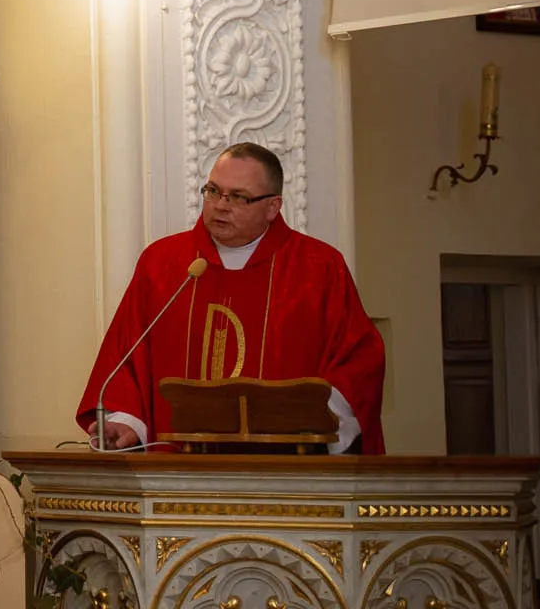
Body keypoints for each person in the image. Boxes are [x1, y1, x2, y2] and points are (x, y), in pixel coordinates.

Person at [76, 142, 385, 452]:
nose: (220, 206)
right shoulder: (162, 263)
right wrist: (126, 422)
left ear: (273, 207)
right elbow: (125, 358)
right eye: (213, 191)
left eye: (238, 197)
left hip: (286, 470)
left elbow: (358, 362)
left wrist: (316, 415)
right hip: (177, 470)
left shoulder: (318, 267)